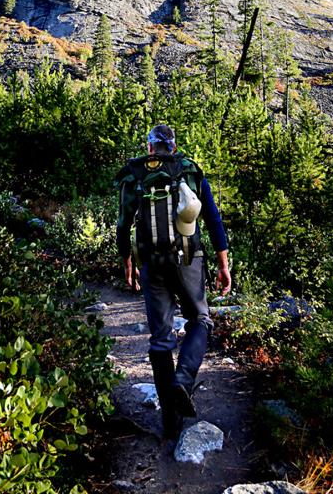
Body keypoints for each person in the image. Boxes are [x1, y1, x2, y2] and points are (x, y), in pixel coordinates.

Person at [115, 124, 231, 439]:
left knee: (161, 339)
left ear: (150, 148)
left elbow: (123, 225)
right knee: (200, 319)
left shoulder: (134, 175)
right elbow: (212, 218)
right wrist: (223, 263)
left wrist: (127, 262)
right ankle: (184, 378)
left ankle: (170, 422)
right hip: (188, 259)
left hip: (151, 263)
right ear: (174, 147)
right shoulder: (189, 170)